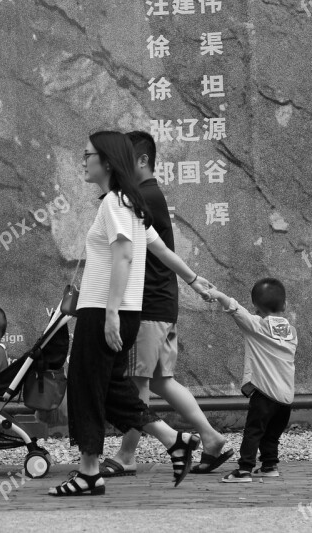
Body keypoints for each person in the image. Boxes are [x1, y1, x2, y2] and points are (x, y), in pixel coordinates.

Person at [48, 131, 214, 497]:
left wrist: (109, 312)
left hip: (106, 310)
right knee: (110, 390)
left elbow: (125, 255)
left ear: (106, 161)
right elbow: (159, 249)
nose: (83, 160)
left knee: (86, 386)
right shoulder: (127, 202)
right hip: (118, 311)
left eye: (87, 154)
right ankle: (174, 440)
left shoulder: (115, 203)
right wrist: (195, 280)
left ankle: (89, 471)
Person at [99, 131, 232, 478]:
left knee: (138, 384)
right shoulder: (150, 196)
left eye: (125, 159)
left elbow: (136, 252)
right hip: (163, 303)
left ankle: (127, 454)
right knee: (161, 381)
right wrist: (192, 280)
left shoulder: (140, 197)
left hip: (147, 306)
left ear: (142, 161)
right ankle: (212, 438)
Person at [204, 280, 297, 483]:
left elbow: (236, 310)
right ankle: (269, 466)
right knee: (271, 435)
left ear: (256, 308)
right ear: (285, 305)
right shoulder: (291, 332)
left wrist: (218, 294)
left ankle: (244, 469)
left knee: (253, 432)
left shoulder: (256, 326)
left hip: (264, 394)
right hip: (286, 398)